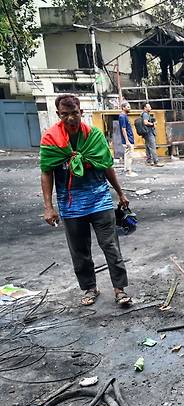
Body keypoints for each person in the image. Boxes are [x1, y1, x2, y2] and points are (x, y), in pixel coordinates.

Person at [39, 94, 132, 307]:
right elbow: (46, 172)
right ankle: (90, 288)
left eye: (74, 113)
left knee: (111, 246)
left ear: (81, 113)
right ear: (58, 115)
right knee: (79, 251)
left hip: (100, 200)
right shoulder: (50, 139)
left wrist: (120, 193)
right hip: (70, 206)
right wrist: (48, 207)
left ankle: (120, 289)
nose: (70, 118)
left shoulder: (95, 136)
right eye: (65, 114)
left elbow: (106, 165)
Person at [118, 102, 136, 177]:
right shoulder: (122, 116)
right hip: (128, 139)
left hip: (129, 138)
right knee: (129, 156)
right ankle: (129, 172)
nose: (129, 108)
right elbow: (123, 129)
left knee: (127, 155)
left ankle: (127, 169)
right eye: (128, 107)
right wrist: (127, 140)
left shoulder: (124, 116)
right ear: (123, 108)